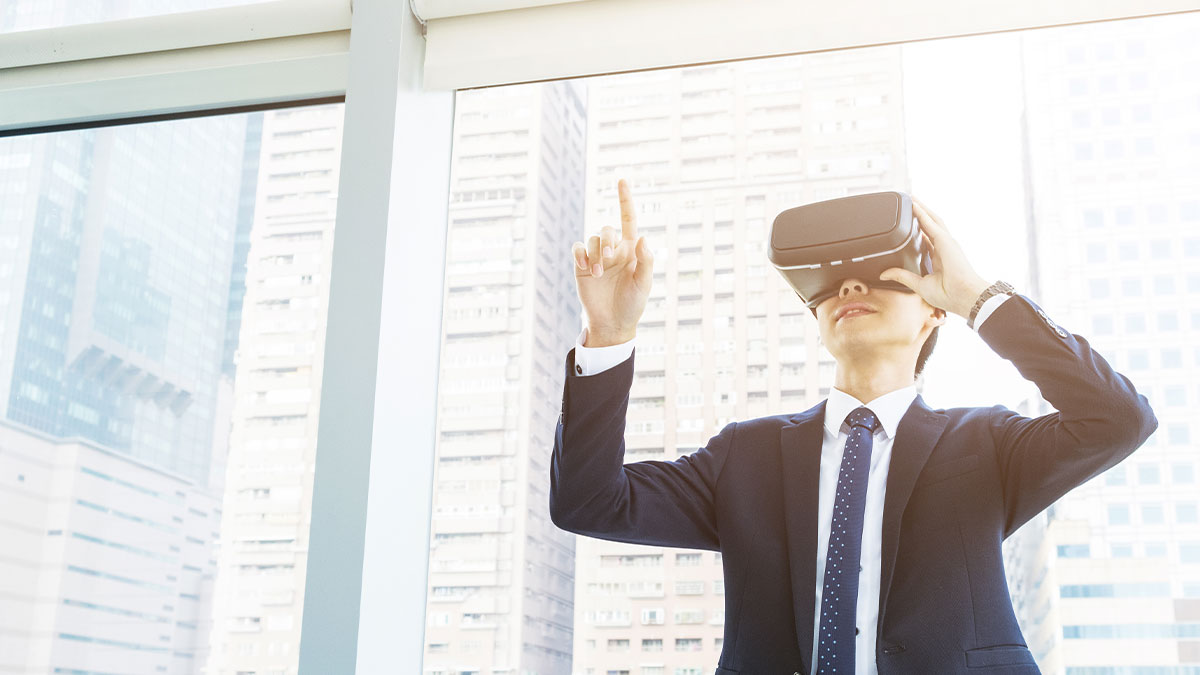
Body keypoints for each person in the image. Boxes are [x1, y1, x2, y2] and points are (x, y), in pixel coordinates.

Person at [550, 179, 1158, 674]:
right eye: (831, 284)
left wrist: (977, 294)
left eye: (885, 275)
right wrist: (609, 334)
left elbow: (1117, 419)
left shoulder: (987, 445)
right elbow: (589, 502)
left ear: (933, 312)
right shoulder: (747, 455)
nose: (851, 285)